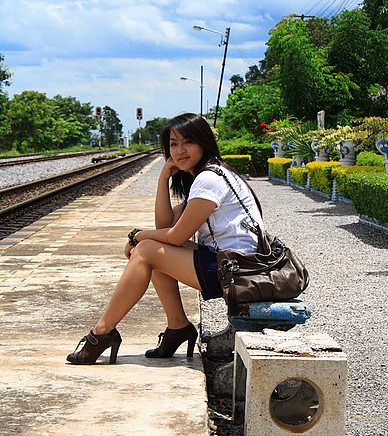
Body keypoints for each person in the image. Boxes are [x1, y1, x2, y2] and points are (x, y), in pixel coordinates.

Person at [66, 112, 264, 365]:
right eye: (173, 144)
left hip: (238, 270)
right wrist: (163, 178)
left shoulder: (209, 180)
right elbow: (166, 225)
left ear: (203, 142)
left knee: (147, 251)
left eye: (187, 142)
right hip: (232, 263)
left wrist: (137, 236)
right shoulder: (207, 176)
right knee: (152, 250)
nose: (180, 150)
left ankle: (102, 332)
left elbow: (176, 235)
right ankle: (178, 326)